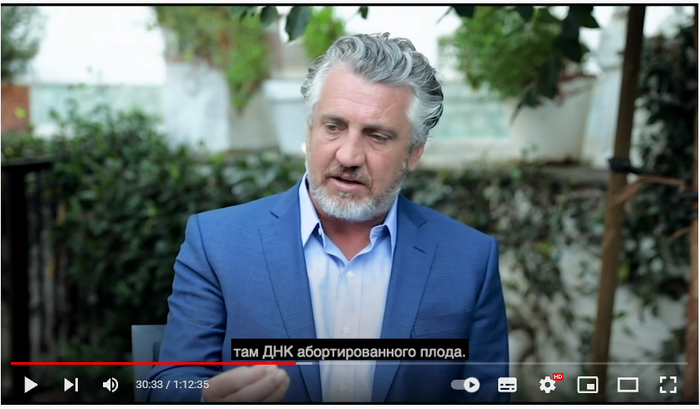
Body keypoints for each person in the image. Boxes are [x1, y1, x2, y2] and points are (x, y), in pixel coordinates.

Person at [145, 32, 509, 403]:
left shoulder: (470, 259)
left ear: (414, 152)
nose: (349, 156)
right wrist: (205, 399)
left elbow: (488, 395)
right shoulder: (216, 242)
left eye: (377, 136)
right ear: (310, 129)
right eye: (333, 127)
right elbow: (170, 382)